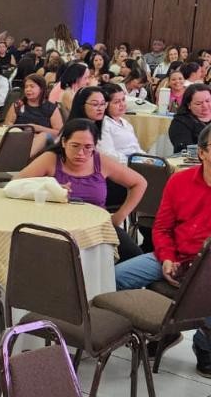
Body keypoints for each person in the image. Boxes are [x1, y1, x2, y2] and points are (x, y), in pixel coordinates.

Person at [113, 123, 211, 374]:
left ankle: (204, 344)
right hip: (175, 254)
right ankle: (154, 331)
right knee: (115, 278)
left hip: (207, 266)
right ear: (202, 152)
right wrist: (167, 258)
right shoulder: (180, 180)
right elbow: (162, 228)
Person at [17, 118, 146, 261]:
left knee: (136, 259)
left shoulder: (101, 162)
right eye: (75, 146)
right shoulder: (51, 159)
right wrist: (48, 186)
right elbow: (16, 183)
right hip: (57, 228)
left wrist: (120, 216)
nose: (81, 153)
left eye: (88, 147)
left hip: (96, 228)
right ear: (64, 142)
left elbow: (139, 183)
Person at [98, 84, 142, 162]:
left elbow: (136, 148)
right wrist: (132, 161)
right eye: (116, 102)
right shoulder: (104, 124)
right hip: (120, 164)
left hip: (135, 161)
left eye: (123, 99)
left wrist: (146, 159)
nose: (122, 104)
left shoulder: (126, 123)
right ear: (106, 105)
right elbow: (107, 153)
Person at [169, 84, 211, 153]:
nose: (205, 106)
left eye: (208, 101)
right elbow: (184, 149)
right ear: (189, 105)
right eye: (198, 104)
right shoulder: (180, 122)